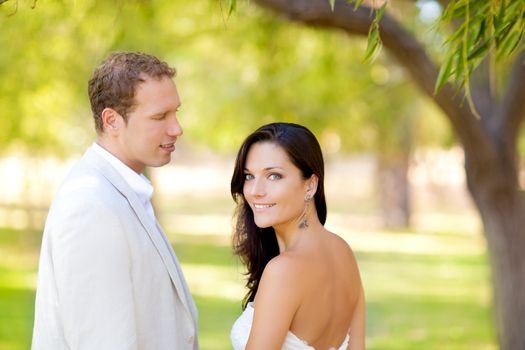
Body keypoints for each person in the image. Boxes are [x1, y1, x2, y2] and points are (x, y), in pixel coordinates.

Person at [31, 52, 198, 349]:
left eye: (176, 113)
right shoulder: (90, 206)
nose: (176, 129)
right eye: (160, 117)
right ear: (112, 121)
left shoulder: (121, 190)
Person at [230, 122, 365, 350]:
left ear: (310, 185)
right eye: (249, 176)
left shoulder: (283, 270)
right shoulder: (343, 251)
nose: (255, 190)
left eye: (273, 176)